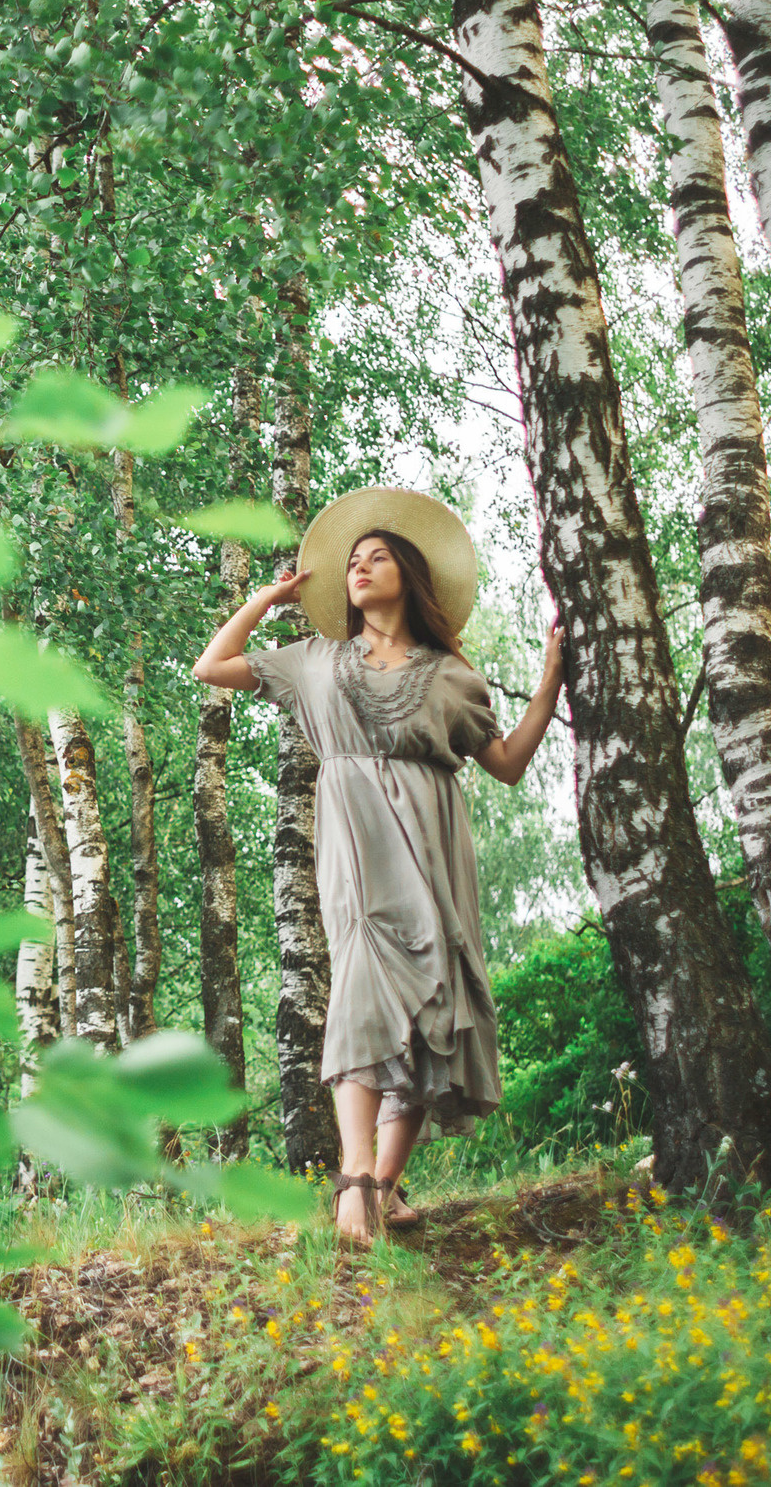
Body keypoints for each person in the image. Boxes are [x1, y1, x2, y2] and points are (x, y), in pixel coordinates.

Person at [191, 486, 565, 1246]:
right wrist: (269, 597)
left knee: (437, 1004)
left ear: (412, 575)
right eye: (351, 563)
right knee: (362, 990)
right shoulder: (314, 661)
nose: (360, 568)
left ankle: (386, 1182)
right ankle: (353, 1181)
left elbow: (508, 764)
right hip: (355, 844)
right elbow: (212, 665)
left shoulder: (453, 676)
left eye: (378, 557)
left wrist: (553, 673)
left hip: (433, 844)